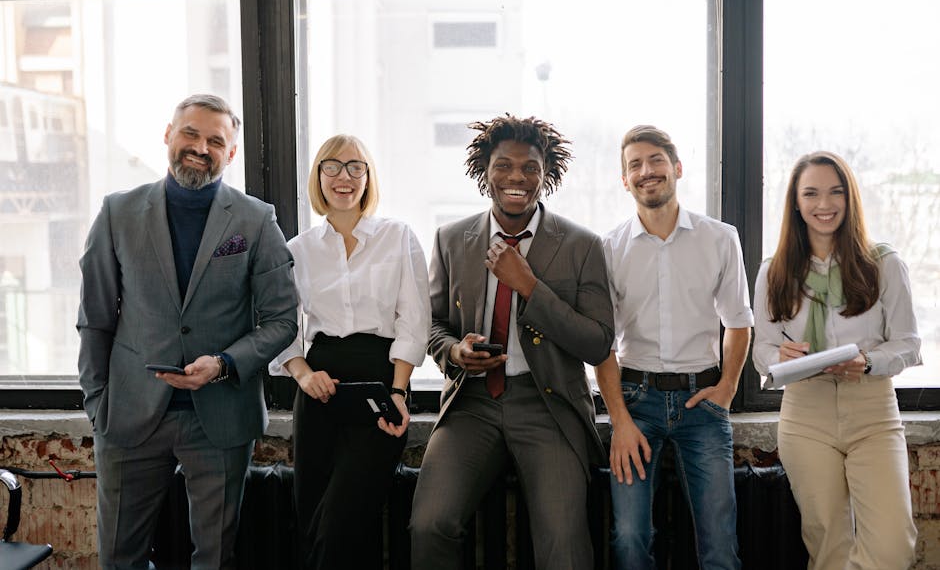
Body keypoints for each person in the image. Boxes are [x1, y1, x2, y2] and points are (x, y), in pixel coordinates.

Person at [77, 94, 298, 569]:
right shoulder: (117, 213)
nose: (201, 147)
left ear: (231, 153)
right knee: (119, 557)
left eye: (216, 141)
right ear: (168, 136)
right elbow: (95, 317)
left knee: (214, 559)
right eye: (191, 134)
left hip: (220, 418)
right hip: (129, 416)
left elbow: (283, 320)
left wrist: (223, 364)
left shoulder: (256, 220)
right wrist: (97, 403)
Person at [409, 114, 614, 570]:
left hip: (548, 406)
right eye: (503, 166)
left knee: (564, 547)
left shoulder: (583, 245)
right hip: (472, 404)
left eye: (530, 168)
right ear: (485, 172)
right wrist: (455, 352)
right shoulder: (451, 239)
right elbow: (431, 325)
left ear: (547, 175)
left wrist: (530, 288)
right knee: (429, 525)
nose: (516, 177)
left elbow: (598, 343)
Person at [268, 134, 430, 569]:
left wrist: (398, 393)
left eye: (356, 167)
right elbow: (282, 325)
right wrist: (303, 375)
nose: (345, 177)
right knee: (313, 517)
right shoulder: (298, 249)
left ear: (368, 177)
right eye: (333, 166)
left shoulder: (397, 237)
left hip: (379, 385)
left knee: (342, 521)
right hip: (319, 388)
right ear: (318, 176)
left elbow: (414, 319)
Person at [595, 124, 753, 570]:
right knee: (628, 539)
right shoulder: (608, 248)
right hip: (635, 403)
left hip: (701, 404)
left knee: (720, 543)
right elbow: (602, 344)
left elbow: (738, 323)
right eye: (635, 165)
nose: (647, 171)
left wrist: (725, 389)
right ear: (624, 180)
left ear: (677, 168)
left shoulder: (720, 238)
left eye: (656, 160)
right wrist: (619, 419)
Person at [752, 151, 920, 569]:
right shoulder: (774, 271)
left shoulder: (882, 264)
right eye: (811, 194)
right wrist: (780, 354)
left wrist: (867, 362)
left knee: (893, 546)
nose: (823, 205)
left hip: (872, 410)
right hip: (806, 412)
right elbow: (762, 349)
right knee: (827, 545)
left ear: (850, 198)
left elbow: (909, 344)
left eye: (835, 192)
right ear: (795, 202)